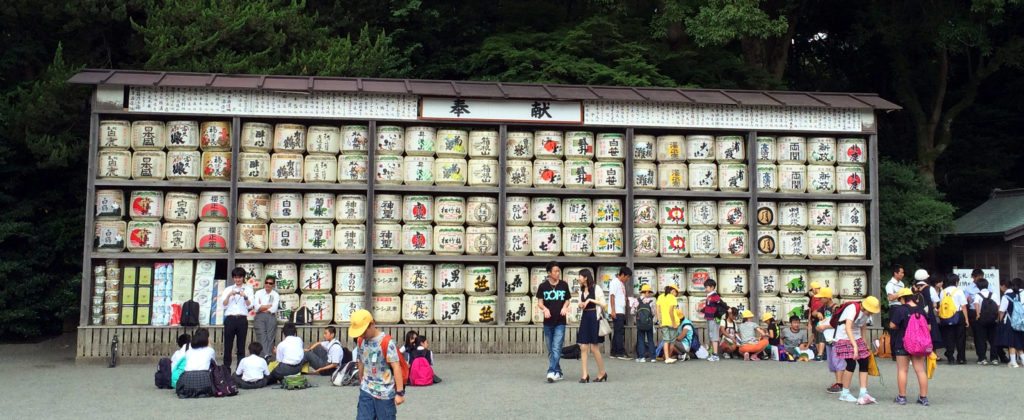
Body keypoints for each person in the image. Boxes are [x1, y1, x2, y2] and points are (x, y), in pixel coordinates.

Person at [351, 309, 405, 420]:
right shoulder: (361, 341)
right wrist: (361, 380)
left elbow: (396, 367)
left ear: (372, 324)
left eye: (364, 331)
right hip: (366, 389)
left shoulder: (387, 342)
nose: (362, 334)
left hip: (385, 393)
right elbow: (361, 361)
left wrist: (399, 392)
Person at [832, 296, 881, 404]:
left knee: (864, 361)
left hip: (857, 336)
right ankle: (844, 393)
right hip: (843, 337)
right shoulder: (853, 308)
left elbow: (863, 327)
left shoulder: (867, 313)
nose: (871, 313)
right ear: (865, 307)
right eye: (871, 311)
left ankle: (863, 392)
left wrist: (865, 343)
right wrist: (855, 346)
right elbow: (847, 327)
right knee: (851, 363)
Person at [888, 288, 930, 406]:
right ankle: (923, 397)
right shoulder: (921, 310)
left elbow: (892, 325)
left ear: (902, 298)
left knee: (902, 370)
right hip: (919, 344)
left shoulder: (900, 310)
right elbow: (929, 327)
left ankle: (902, 397)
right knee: (920, 370)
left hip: (902, 343)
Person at [536, 261, 570, 382]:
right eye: (555, 271)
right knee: (551, 349)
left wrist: (565, 307)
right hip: (547, 322)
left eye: (558, 271)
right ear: (549, 273)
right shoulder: (543, 286)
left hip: (560, 321)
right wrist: (544, 309)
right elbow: (540, 302)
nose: (557, 273)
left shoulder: (564, 285)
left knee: (556, 347)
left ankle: (551, 371)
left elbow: (567, 299)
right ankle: (558, 372)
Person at [576, 269, 608, 382]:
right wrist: (581, 304)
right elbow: (581, 303)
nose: (578, 278)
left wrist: (590, 300)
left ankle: (602, 372)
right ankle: (585, 375)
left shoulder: (596, 288)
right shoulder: (581, 289)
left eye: (580, 276)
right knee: (583, 346)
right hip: (585, 317)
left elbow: (604, 304)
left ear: (585, 277)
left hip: (595, 317)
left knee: (594, 348)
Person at [813, 288, 844, 393]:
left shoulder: (836, 308)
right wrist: (818, 314)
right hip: (828, 338)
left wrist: (824, 327)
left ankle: (840, 383)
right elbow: (814, 312)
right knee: (832, 362)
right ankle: (838, 381)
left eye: (822, 297)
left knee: (838, 361)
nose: (820, 299)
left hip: (836, 338)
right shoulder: (824, 307)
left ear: (828, 298)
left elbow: (838, 323)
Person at [222, 267, 254, 369]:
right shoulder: (228, 289)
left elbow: (250, 306)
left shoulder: (248, 289)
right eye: (235, 277)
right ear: (233, 278)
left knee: (241, 346)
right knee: (228, 346)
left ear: (243, 278)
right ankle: (226, 369)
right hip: (230, 319)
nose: (237, 279)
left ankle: (240, 370)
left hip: (242, 319)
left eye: (240, 277)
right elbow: (223, 305)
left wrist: (245, 296)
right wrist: (229, 296)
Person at [175, 328, 215, 398]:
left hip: (187, 378)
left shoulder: (188, 352)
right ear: (207, 339)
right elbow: (215, 365)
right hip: (204, 378)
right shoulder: (210, 350)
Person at [938, 273, 970, 365]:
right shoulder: (959, 291)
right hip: (958, 315)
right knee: (960, 337)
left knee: (949, 337)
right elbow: (963, 306)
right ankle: (961, 358)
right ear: (956, 281)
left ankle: (950, 358)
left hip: (946, 316)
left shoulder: (943, 292)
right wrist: (966, 319)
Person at [996, 278, 1024, 368]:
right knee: (1018, 342)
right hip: (1020, 321)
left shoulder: (1006, 296)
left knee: (1011, 342)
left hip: (1009, 321)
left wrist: (1000, 321)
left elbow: (1002, 311)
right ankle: (1023, 360)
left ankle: (1013, 362)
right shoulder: (1020, 296)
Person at [972, 278, 999, 365]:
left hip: (981, 320)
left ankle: (982, 358)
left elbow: (976, 305)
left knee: (981, 339)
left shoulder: (978, 295)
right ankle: (994, 358)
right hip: (993, 319)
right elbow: (998, 306)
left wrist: (978, 315)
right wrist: (997, 318)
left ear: (978, 286)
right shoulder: (994, 294)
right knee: (994, 339)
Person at [253, 274, 279, 360]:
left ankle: (267, 356)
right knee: (261, 336)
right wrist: (267, 306)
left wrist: (263, 306)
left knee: (270, 337)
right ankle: (266, 356)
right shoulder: (258, 292)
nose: (268, 284)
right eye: (266, 282)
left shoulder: (275, 294)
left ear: (273, 285)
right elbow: (256, 307)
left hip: (271, 316)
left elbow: (274, 308)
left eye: (270, 283)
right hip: (259, 316)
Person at [698, 279, 724, 361]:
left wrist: (728, 309)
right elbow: (708, 307)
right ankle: (713, 353)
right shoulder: (709, 296)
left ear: (712, 287)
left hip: (714, 318)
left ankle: (715, 355)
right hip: (709, 318)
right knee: (711, 335)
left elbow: (722, 304)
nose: (705, 289)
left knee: (714, 336)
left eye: (707, 287)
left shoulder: (715, 296)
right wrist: (701, 310)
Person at [608, 267, 630, 360]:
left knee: (617, 331)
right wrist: (613, 310)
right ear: (623, 275)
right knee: (619, 332)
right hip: (617, 310)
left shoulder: (621, 284)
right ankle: (620, 352)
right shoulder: (614, 282)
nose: (627, 279)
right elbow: (612, 296)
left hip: (621, 309)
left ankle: (614, 352)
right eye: (627, 277)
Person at [657, 285, 681, 364]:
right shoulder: (672, 298)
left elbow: (657, 310)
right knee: (672, 341)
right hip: (671, 322)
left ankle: (667, 358)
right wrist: (674, 323)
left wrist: (659, 321)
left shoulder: (660, 297)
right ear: (673, 291)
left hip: (664, 322)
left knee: (666, 340)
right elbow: (671, 311)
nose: (675, 295)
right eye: (676, 293)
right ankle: (669, 357)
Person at [633, 284, 657, 363]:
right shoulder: (651, 301)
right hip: (649, 323)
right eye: (649, 292)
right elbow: (653, 313)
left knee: (641, 339)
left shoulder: (637, 300)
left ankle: (642, 357)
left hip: (640, 323)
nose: (649, 294)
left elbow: (632, 311)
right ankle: (653, 357)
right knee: (650, 339)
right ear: (646, 292)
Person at [807, 281, 824, 359]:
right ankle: (819, 354)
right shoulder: (812, 298)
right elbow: (810, 310)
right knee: (816, 337)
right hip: (814, 320)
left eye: (812, 289)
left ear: (813, 288)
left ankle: (820, 354)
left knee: (820, 337)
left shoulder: (823, 297)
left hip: (822, 319)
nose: (811, 291)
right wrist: (809, 322)